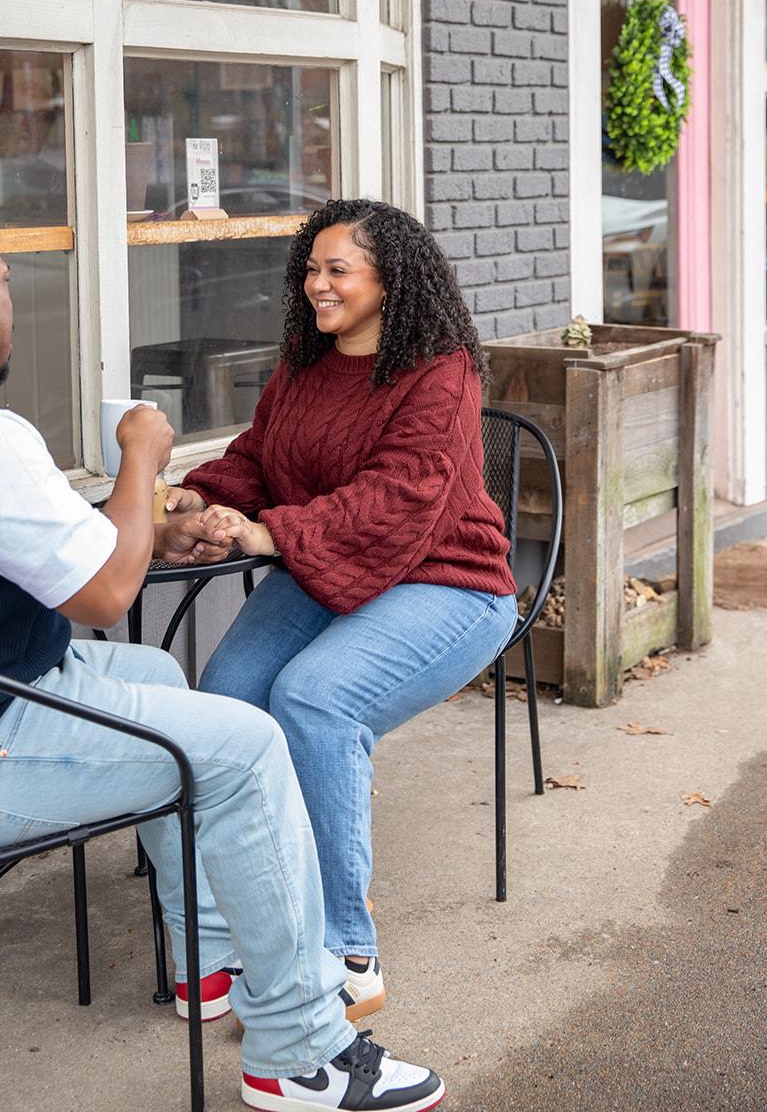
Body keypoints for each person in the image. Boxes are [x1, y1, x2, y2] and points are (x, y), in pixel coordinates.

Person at [0, 209, 444, 1112]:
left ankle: (204, 963)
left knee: (159, 677)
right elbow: (104, 595)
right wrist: (140, 459)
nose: (11, 308)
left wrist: (151, 523)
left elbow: (13, 542)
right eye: (7, 286)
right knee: (248, 745)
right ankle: (301, 1052)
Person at [174, 199, 517, 1021]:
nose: (315, 285)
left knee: (315, 700)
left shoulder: (440, 372)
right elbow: (260, 455)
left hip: (448, 579)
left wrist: (269, 533)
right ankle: (237, 931)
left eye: (337, 270)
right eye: (310, 269)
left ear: (389, 280)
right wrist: (204, 498)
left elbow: (400, 495)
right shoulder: (303, 362)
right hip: (331, 565)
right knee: (225, 702)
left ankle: (344, 950)